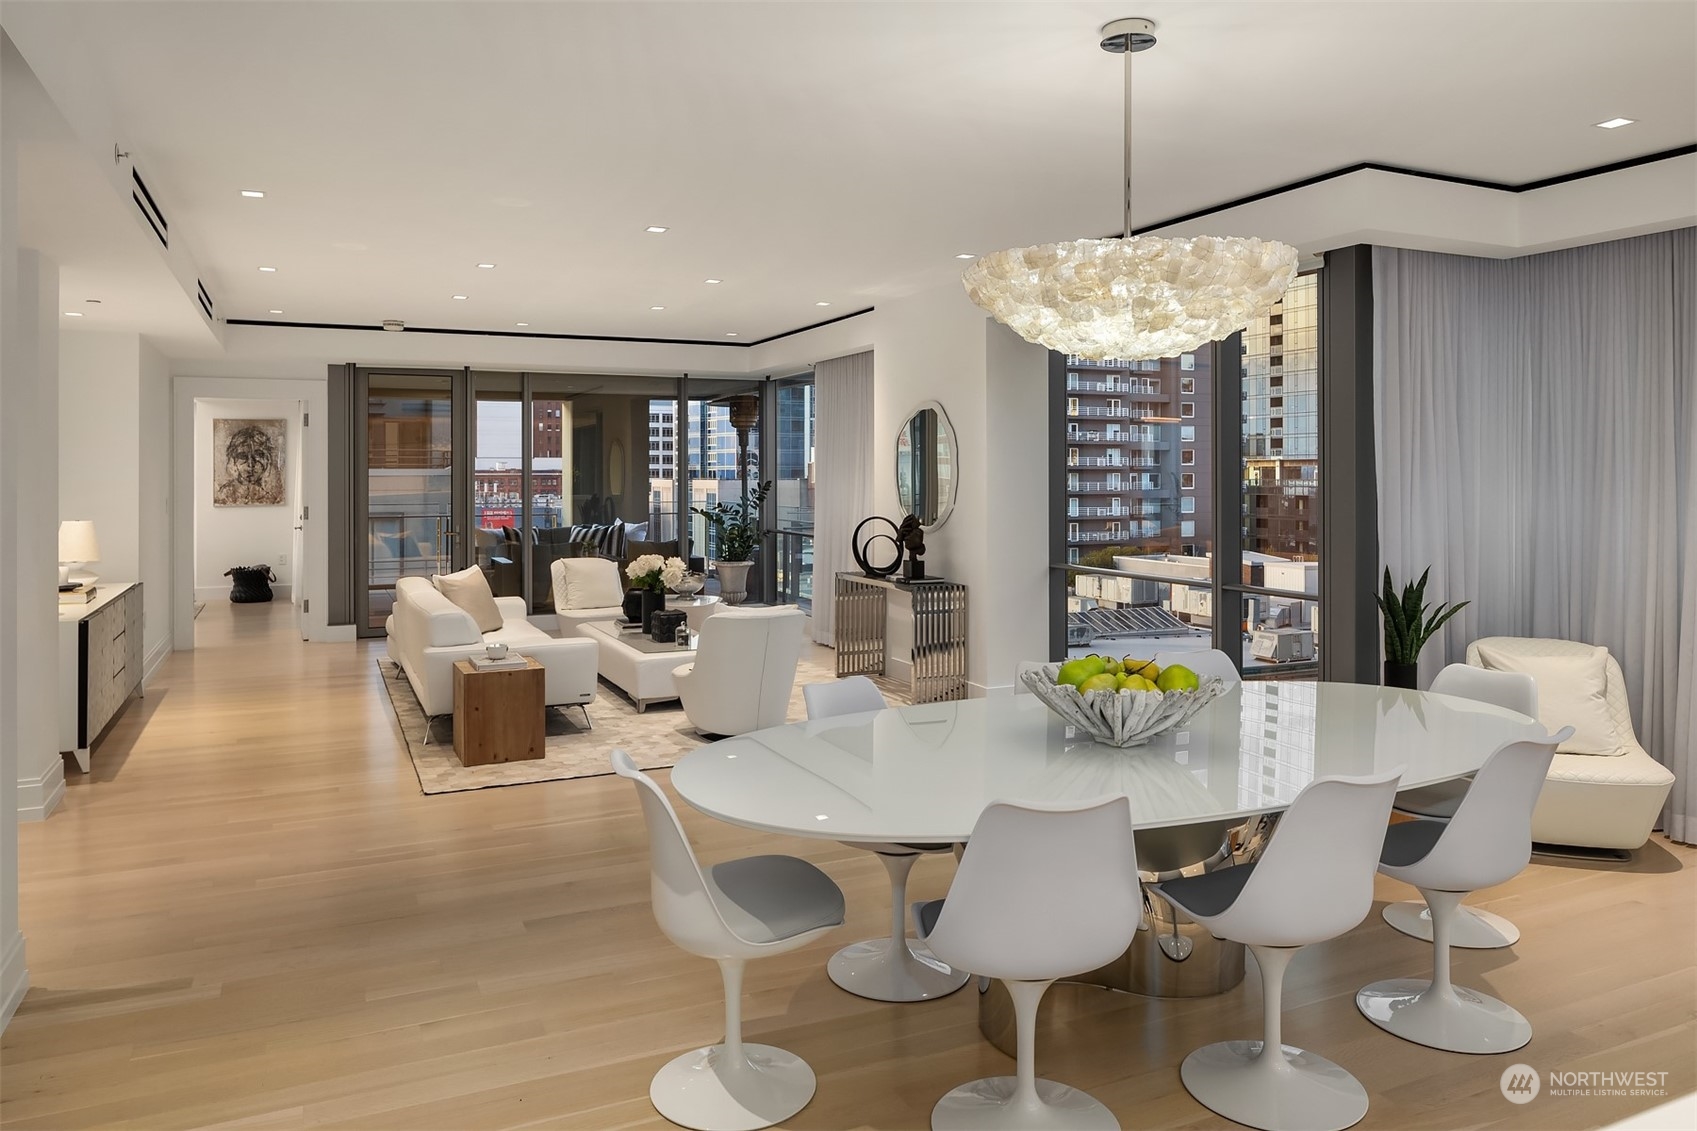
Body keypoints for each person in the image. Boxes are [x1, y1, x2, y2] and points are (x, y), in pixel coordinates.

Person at [214, 423, 284, 506]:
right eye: (243, 456)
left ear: (268, 459)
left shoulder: (273, 498)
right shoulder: (224, 495)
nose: (251, 464)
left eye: (259, 455)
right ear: (233, 459)